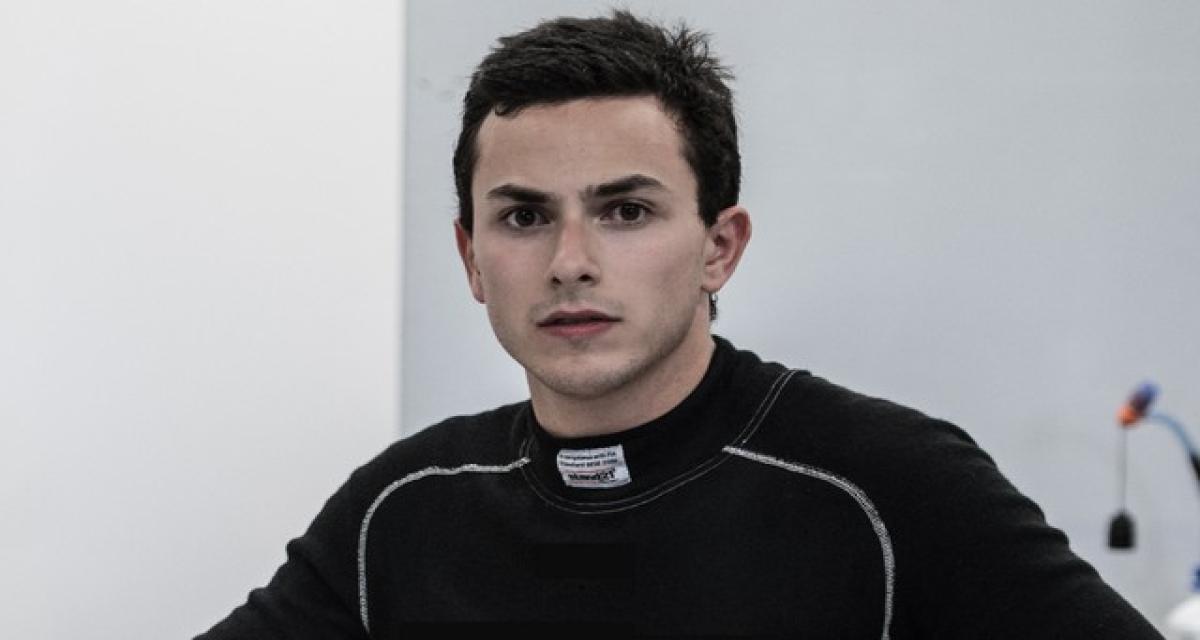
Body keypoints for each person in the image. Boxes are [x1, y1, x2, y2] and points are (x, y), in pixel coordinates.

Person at [197, 10, 1163, 639]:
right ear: (471, 259)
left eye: (625, 211)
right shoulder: (402, 510)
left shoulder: (887, 488)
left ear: (719, 248)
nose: (570, 260)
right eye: (524, 217)